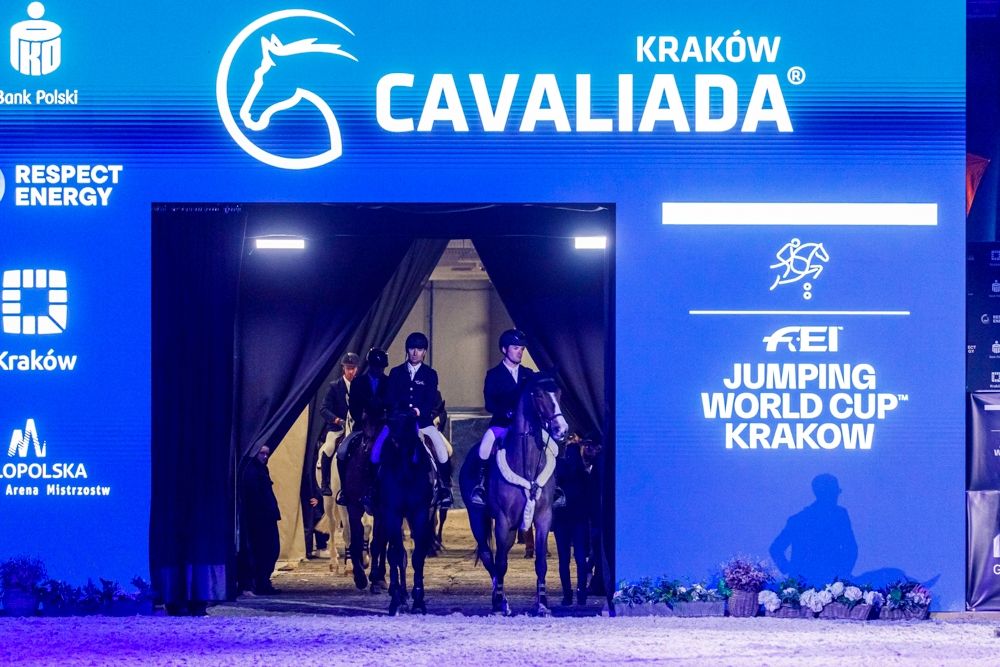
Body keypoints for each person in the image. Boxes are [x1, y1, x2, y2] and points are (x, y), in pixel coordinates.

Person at [379, 332, 454, 507]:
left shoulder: (430, 374)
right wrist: (400, 412)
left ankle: (445, 489)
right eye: (412, 349)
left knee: (442, 451)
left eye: (419, 349)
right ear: (407, 350)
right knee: (376, 448)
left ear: (424, 352)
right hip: (398, 424)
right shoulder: (396, 372)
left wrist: (420, 411)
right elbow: (390, 397)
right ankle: (372, 487)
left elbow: (430, 398)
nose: (415, 353)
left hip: (423, 424)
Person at [240, 445, 281, 595]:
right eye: (262, 453)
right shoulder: (251, 471)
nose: (265, 457)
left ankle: (263, 582)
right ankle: (260, 583)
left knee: (271, 549)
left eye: (266, 454)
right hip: (260, 517)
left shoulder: (262, 469)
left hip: (266, 515)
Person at [318, 352, 360, 497]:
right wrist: (336, 420)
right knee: (329, 447)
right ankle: (325, 483)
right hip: (337, 428)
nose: (351, 371)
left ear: (357, 368)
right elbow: (323, 409)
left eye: (353, 368)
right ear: (343, 368)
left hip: (356, 427)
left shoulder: (360, 385)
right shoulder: (334, 386)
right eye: (348, 368)